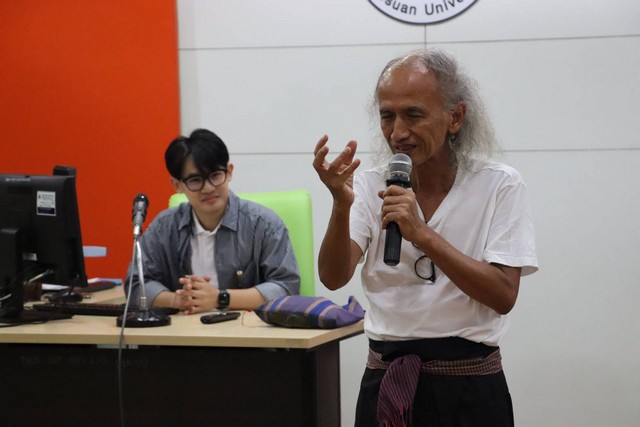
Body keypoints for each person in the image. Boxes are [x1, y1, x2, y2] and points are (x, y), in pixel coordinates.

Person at [312, 48, 538, 426]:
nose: (398, 132)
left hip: (470, 386)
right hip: (386, 380)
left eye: (413, 115)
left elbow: (503, 295)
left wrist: (422, 234)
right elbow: (333, 277)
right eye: (387, 116)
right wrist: (340, 205)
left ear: (455, 117)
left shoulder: (499, 184)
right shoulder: (369, 185)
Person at [125, 128, 300, 314]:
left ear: (229, 172)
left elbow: (286, 287)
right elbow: (136, 284)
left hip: (248, 330)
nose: (208, 188)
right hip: (185, 330)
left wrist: (220, 298)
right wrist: (177, 300)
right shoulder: (164, 227)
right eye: (195, 180)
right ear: (177, 185)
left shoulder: (264, 224)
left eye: (215, 175)